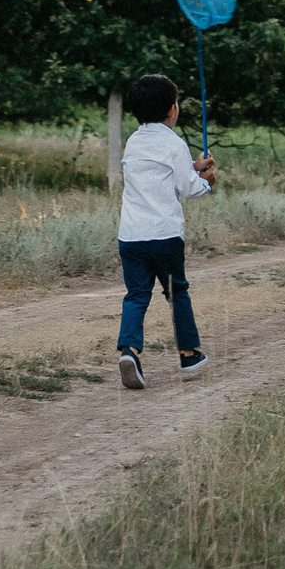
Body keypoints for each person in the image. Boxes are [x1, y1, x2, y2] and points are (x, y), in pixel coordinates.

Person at [114, 72, 215, 389]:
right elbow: (187, 189)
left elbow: (157, 173)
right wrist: (207, 180)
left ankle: (129, 351)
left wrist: (193, 167)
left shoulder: (133, 142)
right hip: (165, 236)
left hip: (131, 235)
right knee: (177, 293)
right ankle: (188, 354)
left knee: (136, 295)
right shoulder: (175, 144)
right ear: (172, 109)